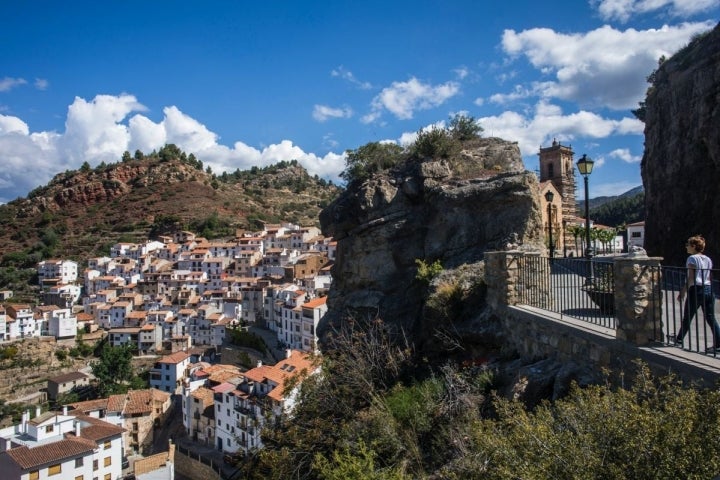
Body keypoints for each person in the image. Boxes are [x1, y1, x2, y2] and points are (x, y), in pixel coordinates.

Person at [675, 235, 720, 351]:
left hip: (696, 290)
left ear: (693, 246)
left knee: (688, 317)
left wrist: (683, 291)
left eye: (688, 245)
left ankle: (679, 339)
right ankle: (718, 344)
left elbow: (691, 277)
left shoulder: (692, 259)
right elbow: (710, 276)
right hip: (708, 289)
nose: (686, 247)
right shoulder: (708, 259)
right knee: (711, 318)